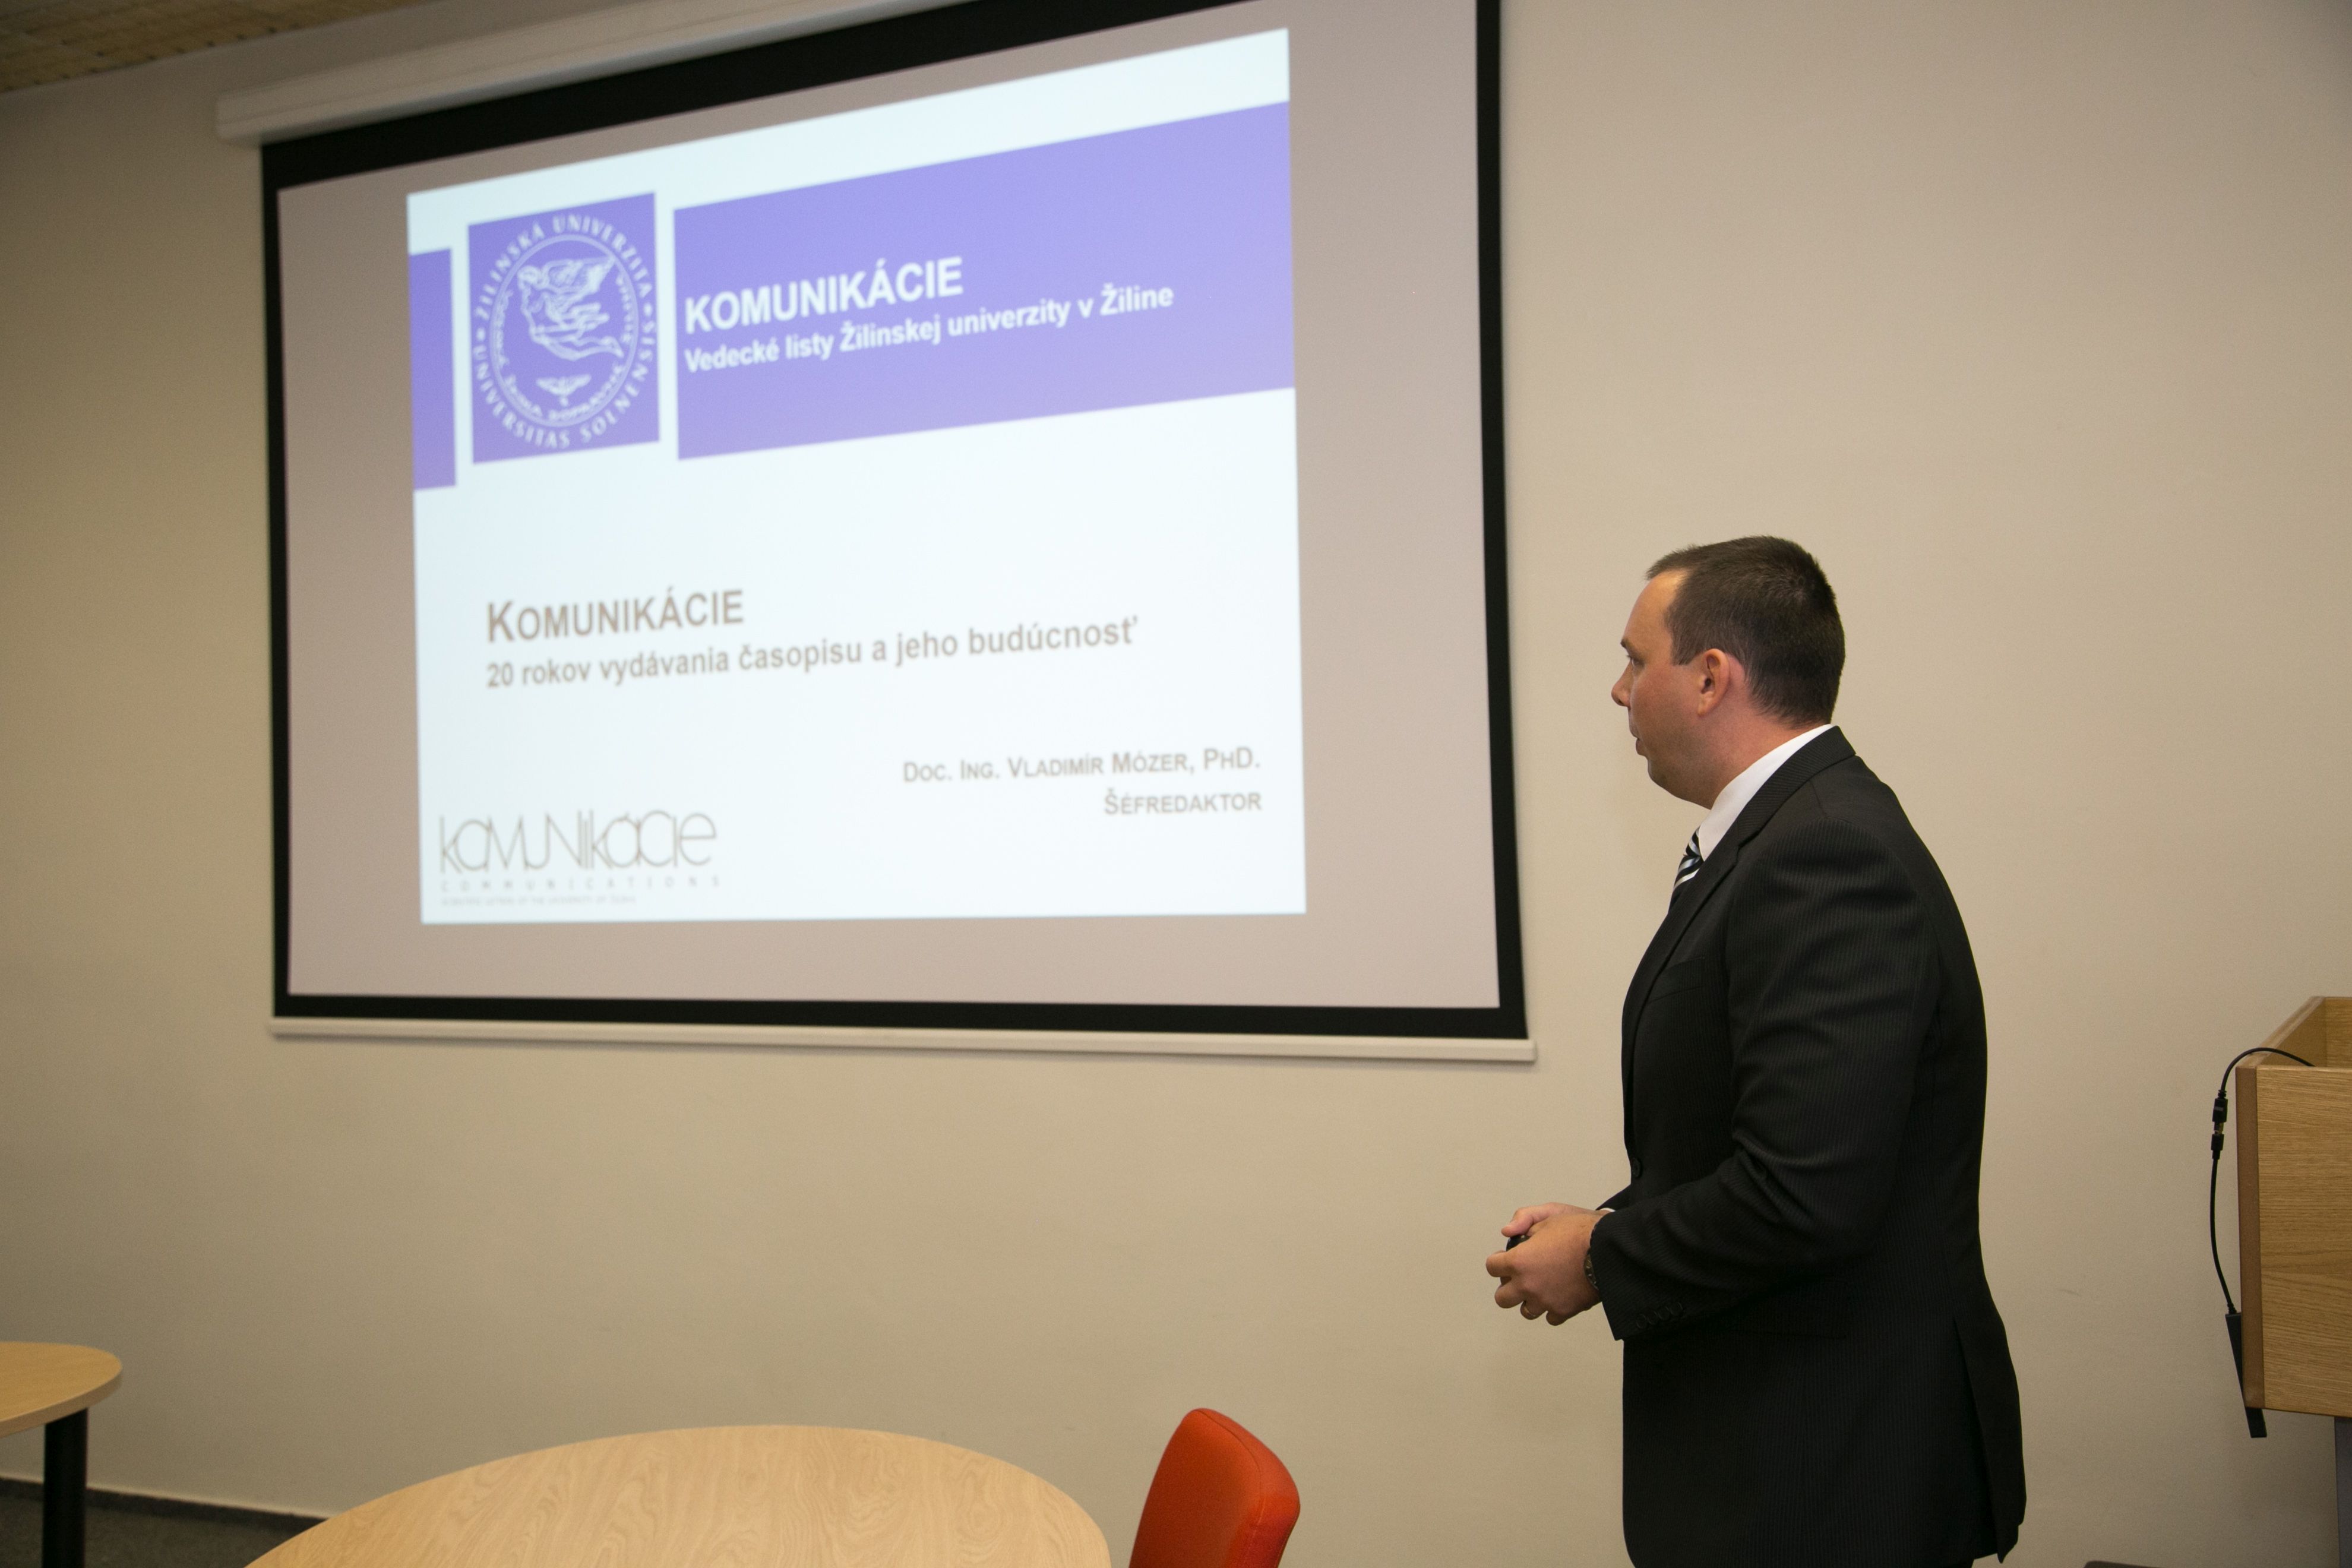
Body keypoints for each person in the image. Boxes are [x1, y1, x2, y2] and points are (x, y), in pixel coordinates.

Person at [1485, 538, 2025, 1567]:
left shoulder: (1825, 853)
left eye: (1635, 659)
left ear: (1710, 677)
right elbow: (1759, 1138)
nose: (1618, 690)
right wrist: (1609, 1221)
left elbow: (1804, 1193)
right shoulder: (1784, 835)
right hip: (1789, 1453)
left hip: (1829, 1470)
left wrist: (1600, 1256)